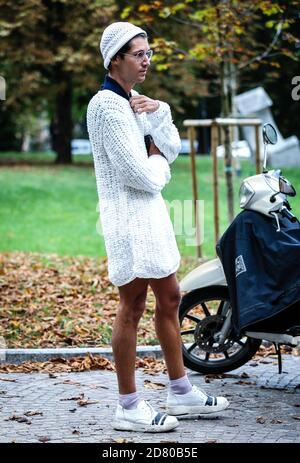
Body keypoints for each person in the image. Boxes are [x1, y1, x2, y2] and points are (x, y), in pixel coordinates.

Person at [87, 21, 229, 433]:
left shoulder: (133, 101)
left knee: (170, 297)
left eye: (149, 53)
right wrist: (157, 160)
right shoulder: (106, 106)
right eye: (138, 54)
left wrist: (160, 113)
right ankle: (128, 406)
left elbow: (170, 148)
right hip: (127, 219)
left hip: (150, 214)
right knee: (131, 306)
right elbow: (143, 175)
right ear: (116, 59)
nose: (147, 60)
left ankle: (180, 391)